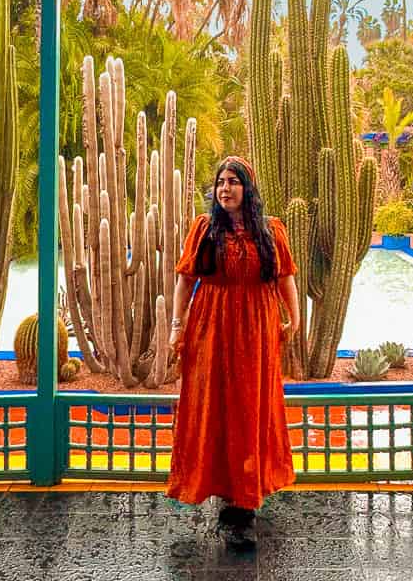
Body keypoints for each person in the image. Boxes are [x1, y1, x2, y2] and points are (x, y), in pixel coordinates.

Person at [165, 155, 299, 546]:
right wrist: (178, 326)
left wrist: (295, 318)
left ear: (248, 189)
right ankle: (223, 492)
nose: (225, 189)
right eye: (221, 182)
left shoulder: (272, 231)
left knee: (250, 407)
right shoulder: (204, 229)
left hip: (256, 329)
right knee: (214, 406)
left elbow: (285, 277)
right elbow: (184, 281)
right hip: (211, 328)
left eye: (233, 182)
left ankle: (244, 499)